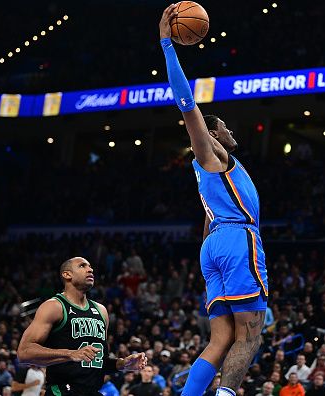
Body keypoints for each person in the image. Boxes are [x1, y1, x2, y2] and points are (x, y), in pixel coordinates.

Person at [159, 6, 269, 396]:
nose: (223, 128)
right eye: (216, 128)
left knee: (219, 339)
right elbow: (187, 106)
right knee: (251, 336)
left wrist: (209, 247)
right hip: (237, 240)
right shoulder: (212, 157)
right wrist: (167, 45)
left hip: (214, 244)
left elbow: (209, 222)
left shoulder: (218, 172)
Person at [17, 257, 147, 395]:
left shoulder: (101, 311)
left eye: (90, 266)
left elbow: (99, 362)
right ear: (67, 275)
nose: (90, 269)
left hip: (93, 391)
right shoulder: (54, 306)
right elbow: (24, 352)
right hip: (62, 391)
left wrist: (122, 364)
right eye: (82, 266)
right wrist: (70, 354)